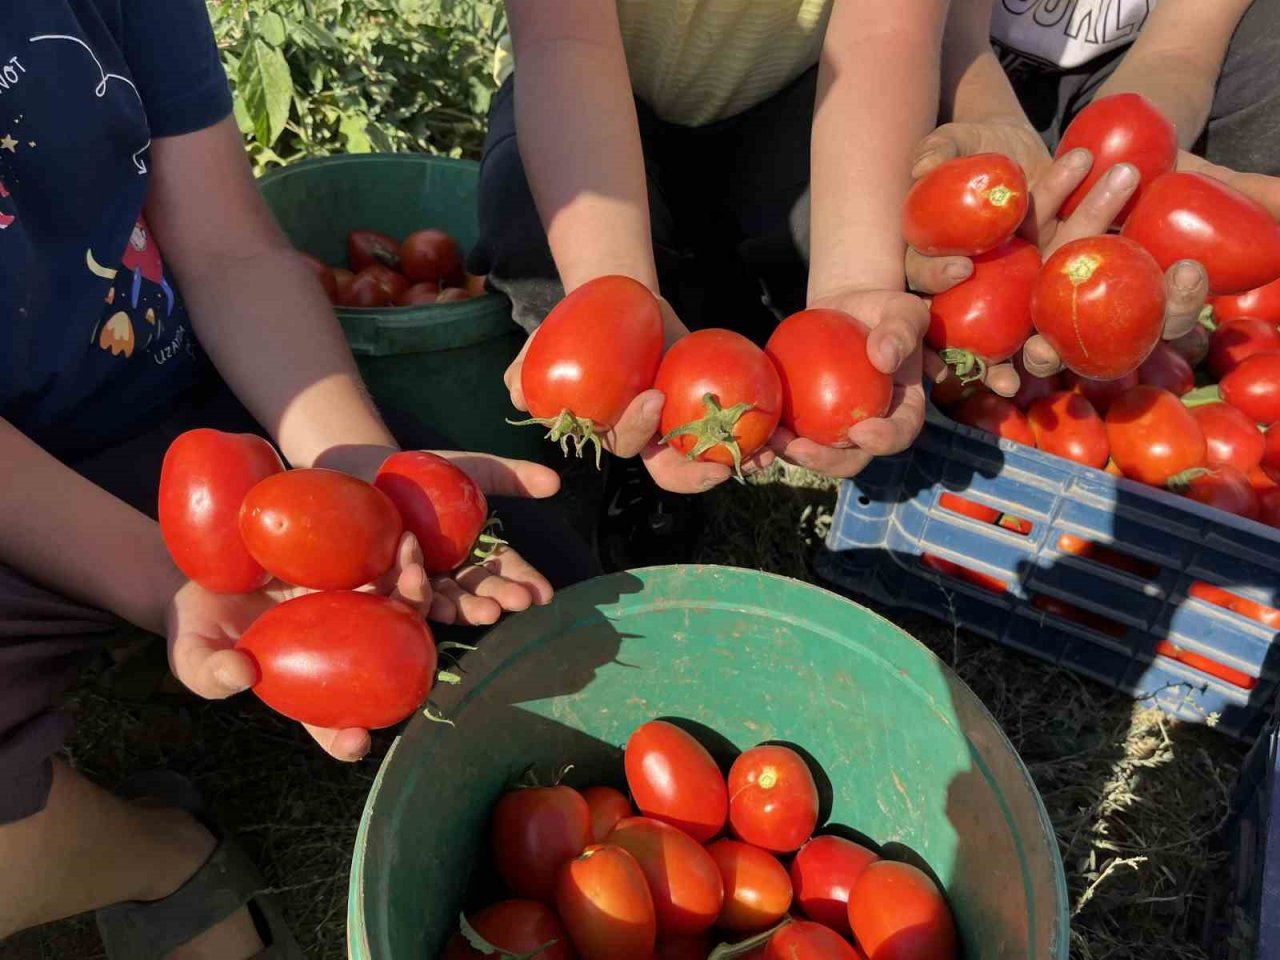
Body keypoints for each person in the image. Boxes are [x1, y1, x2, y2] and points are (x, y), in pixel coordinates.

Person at [0, 2, 596, 957]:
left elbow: (229, 246)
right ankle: (158, 857)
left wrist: (353, 470)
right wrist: (166, 580)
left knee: (557, 613)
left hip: (187, 418)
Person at [469, 0, 951, 569]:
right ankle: (629, 475)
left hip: (799, 102)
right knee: (537, 240)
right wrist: (614, 304)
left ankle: (729, 304)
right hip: (588, 89)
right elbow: (565, 43)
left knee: (801, 239)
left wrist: (853, 285)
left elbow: (886, 33)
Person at [907, 0, 1280, 391]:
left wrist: (1139, 145)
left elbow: (1179, 49)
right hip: (960, 61)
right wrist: (987, 118)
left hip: (1123, 68)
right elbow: (941, 32)